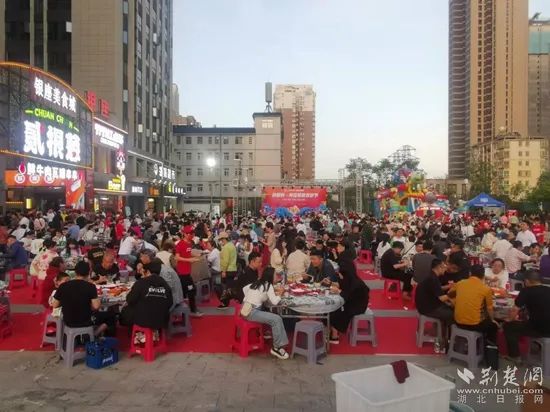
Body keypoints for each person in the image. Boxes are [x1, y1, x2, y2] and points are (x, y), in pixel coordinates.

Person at [51, 261, 111, 336]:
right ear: (88, 273)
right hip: (85, 321)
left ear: (75, 272)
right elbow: (96, 306)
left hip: (67, 321)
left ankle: (88, 335)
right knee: (110, 316)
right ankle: (94, 335)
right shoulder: (90, 286)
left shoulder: (63, 286)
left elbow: (55, 305)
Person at [242, 267, 289, 360]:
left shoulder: (258, 282)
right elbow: (275, 302)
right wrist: (280, 293)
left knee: (274, 317)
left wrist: (250, 298)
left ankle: (277, 343)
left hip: (245, 309)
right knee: (276, 319)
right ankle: (276, 348)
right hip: (252, 312)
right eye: (275, 274)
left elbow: (244, 289)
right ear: (270, 276)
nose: (277, 276)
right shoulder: (268, 285)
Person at [503, 270, 550, 363]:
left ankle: (515, 356)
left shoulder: (526, 291)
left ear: (527, 281)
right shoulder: (548, 289)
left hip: (539, 329)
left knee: (509, 326)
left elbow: (514, 310)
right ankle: (539, 348)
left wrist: (508, 319)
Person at [124, 259, 173, 344]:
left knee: (126, 310)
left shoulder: (141, 283)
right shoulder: (165, 284)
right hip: (162, 319)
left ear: (148, 271)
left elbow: (130, 300)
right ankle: (153, 333)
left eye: (143, 270)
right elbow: (170, 302)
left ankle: (138, 335)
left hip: (144, 320)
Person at [449, 264, 498, 345]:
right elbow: (489, 308)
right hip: (474, 325)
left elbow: (449, 294)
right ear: (483, 276)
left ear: (470, 273)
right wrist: (492, 320)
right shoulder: (485, 289)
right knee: (493, 326)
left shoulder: (460, 283)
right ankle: (486, 347)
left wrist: (454, 302)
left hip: (458, 322)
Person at [328, 261, 370, 344]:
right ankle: (334, 330)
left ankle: (334, 336)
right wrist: (330, 283)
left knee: (335, 311)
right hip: (353, 302)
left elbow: (347, 295)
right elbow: (343, 285)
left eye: (340, 272)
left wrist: (338, 291)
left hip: (358, 306)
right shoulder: (351, 278)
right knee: (334, 308)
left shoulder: (356, 284)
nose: (339, 274)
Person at [415, 259, 454, 336]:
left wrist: (449, 286)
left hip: (424, 305)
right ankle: (448, 337)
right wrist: (455, 294)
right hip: (428, 309)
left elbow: (437, 289)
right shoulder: (433, 279)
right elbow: (441, 298)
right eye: (444, 266)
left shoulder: (431, 276)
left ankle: (441, 331)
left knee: (448, 307)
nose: (445, 268)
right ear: (439, 267)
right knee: (452, 314)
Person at [174, 225, 202, 317]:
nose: (192, 235)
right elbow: (177, 257)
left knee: (186, 291)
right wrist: (189, 260)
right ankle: (192, 310)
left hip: (187, 272)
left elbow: (188, 253)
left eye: (192, 233)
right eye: (190, 233)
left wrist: (196, 256)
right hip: (182, 273)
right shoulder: (180, 244)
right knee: (191, 290)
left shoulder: (189, 243)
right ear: (185, 234)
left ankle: (185, 311)